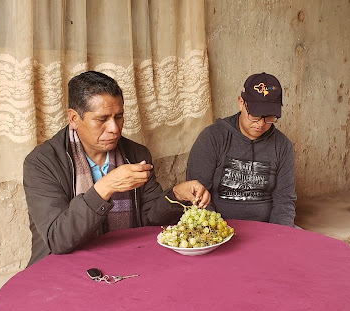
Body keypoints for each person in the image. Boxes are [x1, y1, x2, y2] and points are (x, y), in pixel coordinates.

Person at [23, 71, 210, 266]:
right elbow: (58, 240)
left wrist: (176, 195)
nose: (114, 128)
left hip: (126, 260)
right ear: (74, 118)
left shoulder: (136, 154)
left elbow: (150, 219)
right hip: (60, 268)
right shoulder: (42, 163)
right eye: (102, 119)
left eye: (118, 117)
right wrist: (106, 187)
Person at [186, 72, 296, 226]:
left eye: (269, 117)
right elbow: (196, 195)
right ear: (241, 103)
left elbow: (284, 201)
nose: (261, 124)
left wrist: (277, 235)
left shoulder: (282, 146)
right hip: (218, 227)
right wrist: (216, 232)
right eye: (255, 115)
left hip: (266, 227)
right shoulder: (213, 138)